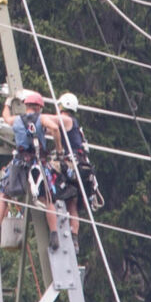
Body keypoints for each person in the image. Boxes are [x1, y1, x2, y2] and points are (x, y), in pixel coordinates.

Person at [0, 90, 65, 251]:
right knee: (47, 199)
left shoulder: (17, 120)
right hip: (37, 164)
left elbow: (5, 117)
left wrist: (8, 102)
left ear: (26, 106)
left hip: (19, 163)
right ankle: (54, 234)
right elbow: (54, 128)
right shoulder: (42, 118)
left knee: (4, 194)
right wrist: (59, 149)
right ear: (39, 107)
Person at [52, 92, 101, 242]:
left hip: (71, 165)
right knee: (72, 203)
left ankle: (52, 222)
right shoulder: (74, 123)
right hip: (80, 167)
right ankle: (74, 237)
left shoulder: (66, 119)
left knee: (45, 174)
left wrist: (30, 118)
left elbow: (46, 121)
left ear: (62, 106)